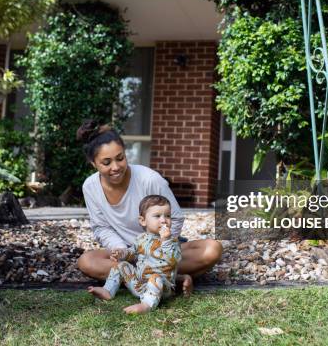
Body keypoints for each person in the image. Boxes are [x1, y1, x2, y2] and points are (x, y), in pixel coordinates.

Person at [75, 119, 223, 294]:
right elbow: (101, 227)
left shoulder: (150, 179)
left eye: (120, 158)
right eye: (106, 163)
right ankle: (170, 279)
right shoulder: (90, 186)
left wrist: (154, 251)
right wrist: (123, 251)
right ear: (93, 163)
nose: (115, 167)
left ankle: (139, 278)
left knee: (212, 249)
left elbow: (174, 217)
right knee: (86, 261)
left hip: (160, 251)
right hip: (127, 255)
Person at [87, 195, 184, 314]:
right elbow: (133, 253)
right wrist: (122, 253)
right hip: (139, 285)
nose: (164, 220)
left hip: (161, 287)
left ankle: (147, 305)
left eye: (168, 216)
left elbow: (174, 260)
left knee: (155, 277)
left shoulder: (172, 241)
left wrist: (166, 241)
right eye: (157, 216)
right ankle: (108, 290)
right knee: (121, 266)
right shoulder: (141, 238)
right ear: (143, 221)